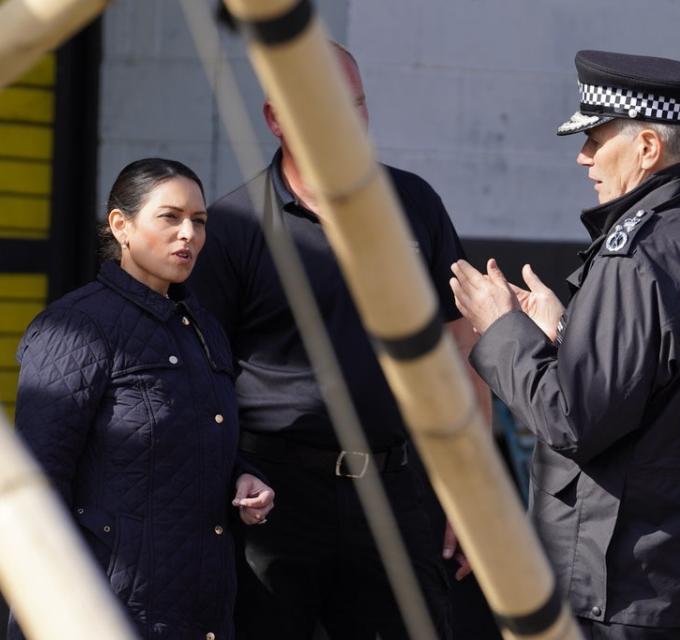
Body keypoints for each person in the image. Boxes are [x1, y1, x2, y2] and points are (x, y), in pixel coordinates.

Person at [451, 50, 680, 639]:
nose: (583, 156)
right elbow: (678, 388)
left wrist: (502, 326)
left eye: (596, 137)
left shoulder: (637, 256)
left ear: (648, 149)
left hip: (632, 592)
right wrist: (564, 333)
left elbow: (573, 420)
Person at [188, 44, 485, 640]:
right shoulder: (233, 226)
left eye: (355, 105)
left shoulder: (415, 205)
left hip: (396, 486)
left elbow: (461, 345)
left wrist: (472, 493)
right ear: (275, 119)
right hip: (274, 498)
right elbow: (199, 379)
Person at [8, 158, 274, 640]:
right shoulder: (75, 327)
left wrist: (244, 475)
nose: (188, 234)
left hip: (201, 606)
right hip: (107, 608)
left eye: (199, 221)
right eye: (170, 217)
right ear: (121, 226)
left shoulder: (204, 327)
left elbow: (193, 436)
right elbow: (37, 480)